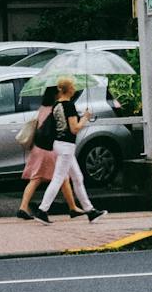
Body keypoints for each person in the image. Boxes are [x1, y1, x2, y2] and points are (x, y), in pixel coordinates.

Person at [35, 76, 108, 222]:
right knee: (58, 178)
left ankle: (90, 210)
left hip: (59, 144)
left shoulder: (56, 105)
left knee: (77, 177)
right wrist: (85, 118)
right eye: (73, 87)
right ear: (68, 90)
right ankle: (42, 210)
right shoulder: (69, 106)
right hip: (66, 146)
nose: (75, 89)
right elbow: (74, 129)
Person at [16, 84, 59, 223]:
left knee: (38, 179)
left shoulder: (42, 109)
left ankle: (23, 207)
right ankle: (73, 207)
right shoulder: (54, 109)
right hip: (47, 149)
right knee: (59, 178)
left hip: (38, 148)